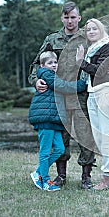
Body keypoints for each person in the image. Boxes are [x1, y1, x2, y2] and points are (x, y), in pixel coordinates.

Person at [28, 1, 109, 189]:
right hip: (58, 95)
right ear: (62, 18)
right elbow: (37, 64)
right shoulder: (52, 39)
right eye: (66, 17)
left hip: (82, 94)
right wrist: (35, 80)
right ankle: (61, 175)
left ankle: (86, 176)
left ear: (79, 18)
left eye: (73, 17)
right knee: (61, 135)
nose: (70, 21)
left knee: (86, 135)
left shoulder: (88, 36)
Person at [29, 50, 86, 192]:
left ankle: (38, 173)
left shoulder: (53, 75)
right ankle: (45, 180)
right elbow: (64, 86)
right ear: (42, 65)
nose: (54, 65)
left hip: (53, 118)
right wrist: (81, 84)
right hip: (46, 117)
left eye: (55, 62)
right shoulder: (46, 74)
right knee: (45, 151)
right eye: (50, 63)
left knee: (60, 149)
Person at [76, 18, 109, 191]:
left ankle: (107, 178)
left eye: (95, 28)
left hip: (105, 93)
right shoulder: (91, 50)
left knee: (107, 139)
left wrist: (81, 62)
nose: (92, 32)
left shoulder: (107, 47)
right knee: (100, 139)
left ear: (101, 30)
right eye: (88, 30)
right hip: (93, 94)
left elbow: (101, 71)